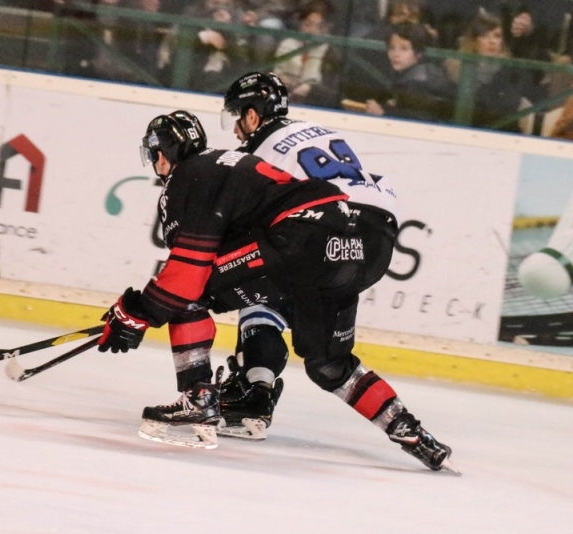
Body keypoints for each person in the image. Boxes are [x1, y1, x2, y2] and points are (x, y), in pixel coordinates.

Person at [216, 71, 456, 472]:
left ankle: (252, 396)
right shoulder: (314, 130)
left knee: (241, 283)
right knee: (328, 363)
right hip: (372, 242)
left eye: (238, 118)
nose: (238, 130)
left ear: (253, 116)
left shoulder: (257, 152)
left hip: (323, 233)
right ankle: (411, 431)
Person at [97, 109, 365, 451]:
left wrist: (134, 313)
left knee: (186, 296)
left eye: (155, 155)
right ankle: (254, 393)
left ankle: (200, 398)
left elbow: (186, 275)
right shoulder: (228, 161)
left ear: (162, 153)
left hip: (290, 244)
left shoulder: (187, 179)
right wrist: (142, 312)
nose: (155, 163)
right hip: (332, 245)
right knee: (240, 303)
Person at [359, 22, 455, 122]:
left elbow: (416, 125)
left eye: (404, 49)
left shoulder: (416, 84)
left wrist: (382, 114)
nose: (395, 54)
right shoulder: (428, 72)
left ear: (418, 53)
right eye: (392, 48)